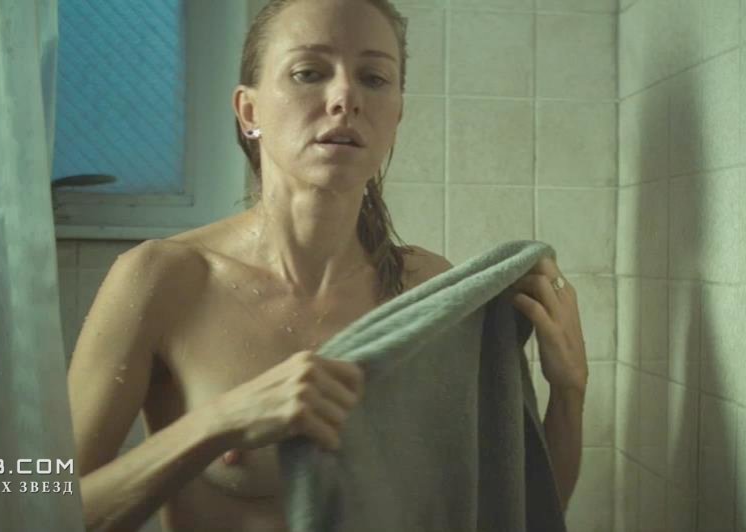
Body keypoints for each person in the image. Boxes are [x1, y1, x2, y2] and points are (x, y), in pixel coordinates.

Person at [66, 0, 589, 530]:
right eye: (308, 73)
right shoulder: (160, 279)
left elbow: (518, 509)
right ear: (249, 111)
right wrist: (217, 423)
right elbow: (39, 497)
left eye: (374, 78)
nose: (345, 98)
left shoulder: (428, 294)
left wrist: (569, 392)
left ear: (396, 115)